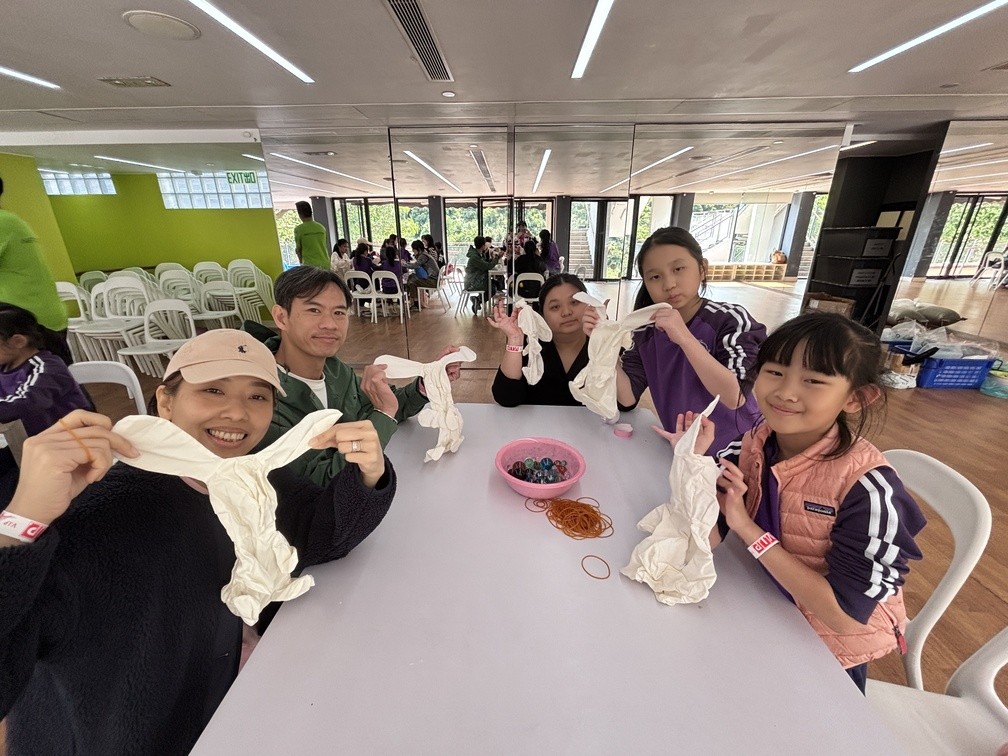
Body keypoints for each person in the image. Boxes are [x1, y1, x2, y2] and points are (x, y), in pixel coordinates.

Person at [0, 328, 396, 753]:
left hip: (247, 705)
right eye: (213, 390)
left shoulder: (258, 480)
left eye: (257, 396)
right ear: (166, 402)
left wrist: (368, 475)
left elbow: (323, 534)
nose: (238, 413)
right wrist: (21, 520)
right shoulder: (98, 513)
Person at [663, 312, 925, 693]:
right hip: (768, 608)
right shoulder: (753, 443)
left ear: (856, 397)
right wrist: (693, 465)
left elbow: (844, 617)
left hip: (828, 655)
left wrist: (748, 529)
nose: (786, 392)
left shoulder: (869, 491)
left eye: (813, 380)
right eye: (774, 372)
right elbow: (705, 536)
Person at [244, 266, 460, 486]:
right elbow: (326, 483)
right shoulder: (258, 399)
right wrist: (383, 414)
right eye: (314, 310)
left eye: (339, 313)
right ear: (281, 317)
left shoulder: (336, 371)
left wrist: (429, 381)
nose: (330, 324)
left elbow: (386, 406)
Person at [584, 226, 766, 455]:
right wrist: (605, 345)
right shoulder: (645, 333)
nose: (669, 284)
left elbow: (735, 396)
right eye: (655, 277)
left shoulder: (730, 320)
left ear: (702, 269)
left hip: (741, 453)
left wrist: (684, 338)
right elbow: (628, 398)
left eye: (678, 269)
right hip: (684, 452)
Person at [490, 274, 633, 409]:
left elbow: (626, 404)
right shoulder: (532, 349)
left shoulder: (606, 347)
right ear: (542, 315)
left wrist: (606, 345)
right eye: (555, 307)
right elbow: (506, 398)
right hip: (538, 426)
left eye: (574, 302)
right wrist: (515, 340)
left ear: (589, 304)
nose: (566, 312)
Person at [0, 175, 72, 365]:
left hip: (29, 324)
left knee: (48, 379)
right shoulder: (10, 221)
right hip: (35, 319)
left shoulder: (3, 222)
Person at [0, 303, 90, 436]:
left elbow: (27, 403)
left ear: (18, 341)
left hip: (75, 437)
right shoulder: (5, 366)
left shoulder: (47, 367)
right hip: (34, 438)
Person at [464, 235, 502, 315]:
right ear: (483, 246)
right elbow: (487, 266)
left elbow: (486, 264)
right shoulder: (475, 257)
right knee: (493, 288)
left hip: (477, 279)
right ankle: (478, 300)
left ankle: (477, 300)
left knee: (496, 284)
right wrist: (497, 258)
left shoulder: (478, 254)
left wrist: (490, 256)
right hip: (473, 283)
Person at [293, 201, 330, 270]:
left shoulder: (299, 229)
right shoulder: (321, 227)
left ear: (300, 214)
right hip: (325, 264)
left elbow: (298, 250)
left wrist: (301, 263)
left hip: (309, 266)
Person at [405, 239, 439, 308]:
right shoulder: (425, 254)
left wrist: (404, 264)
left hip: (433, 281)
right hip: (435, 279)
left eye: (413, 249)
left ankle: (411, 300)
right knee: (411, 278)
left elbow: (415, 265)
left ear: (418, 249)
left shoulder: (423, 256)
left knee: (411, 280)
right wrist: (406, 263)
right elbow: (416, 264)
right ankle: (415, 302)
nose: (413, 251)